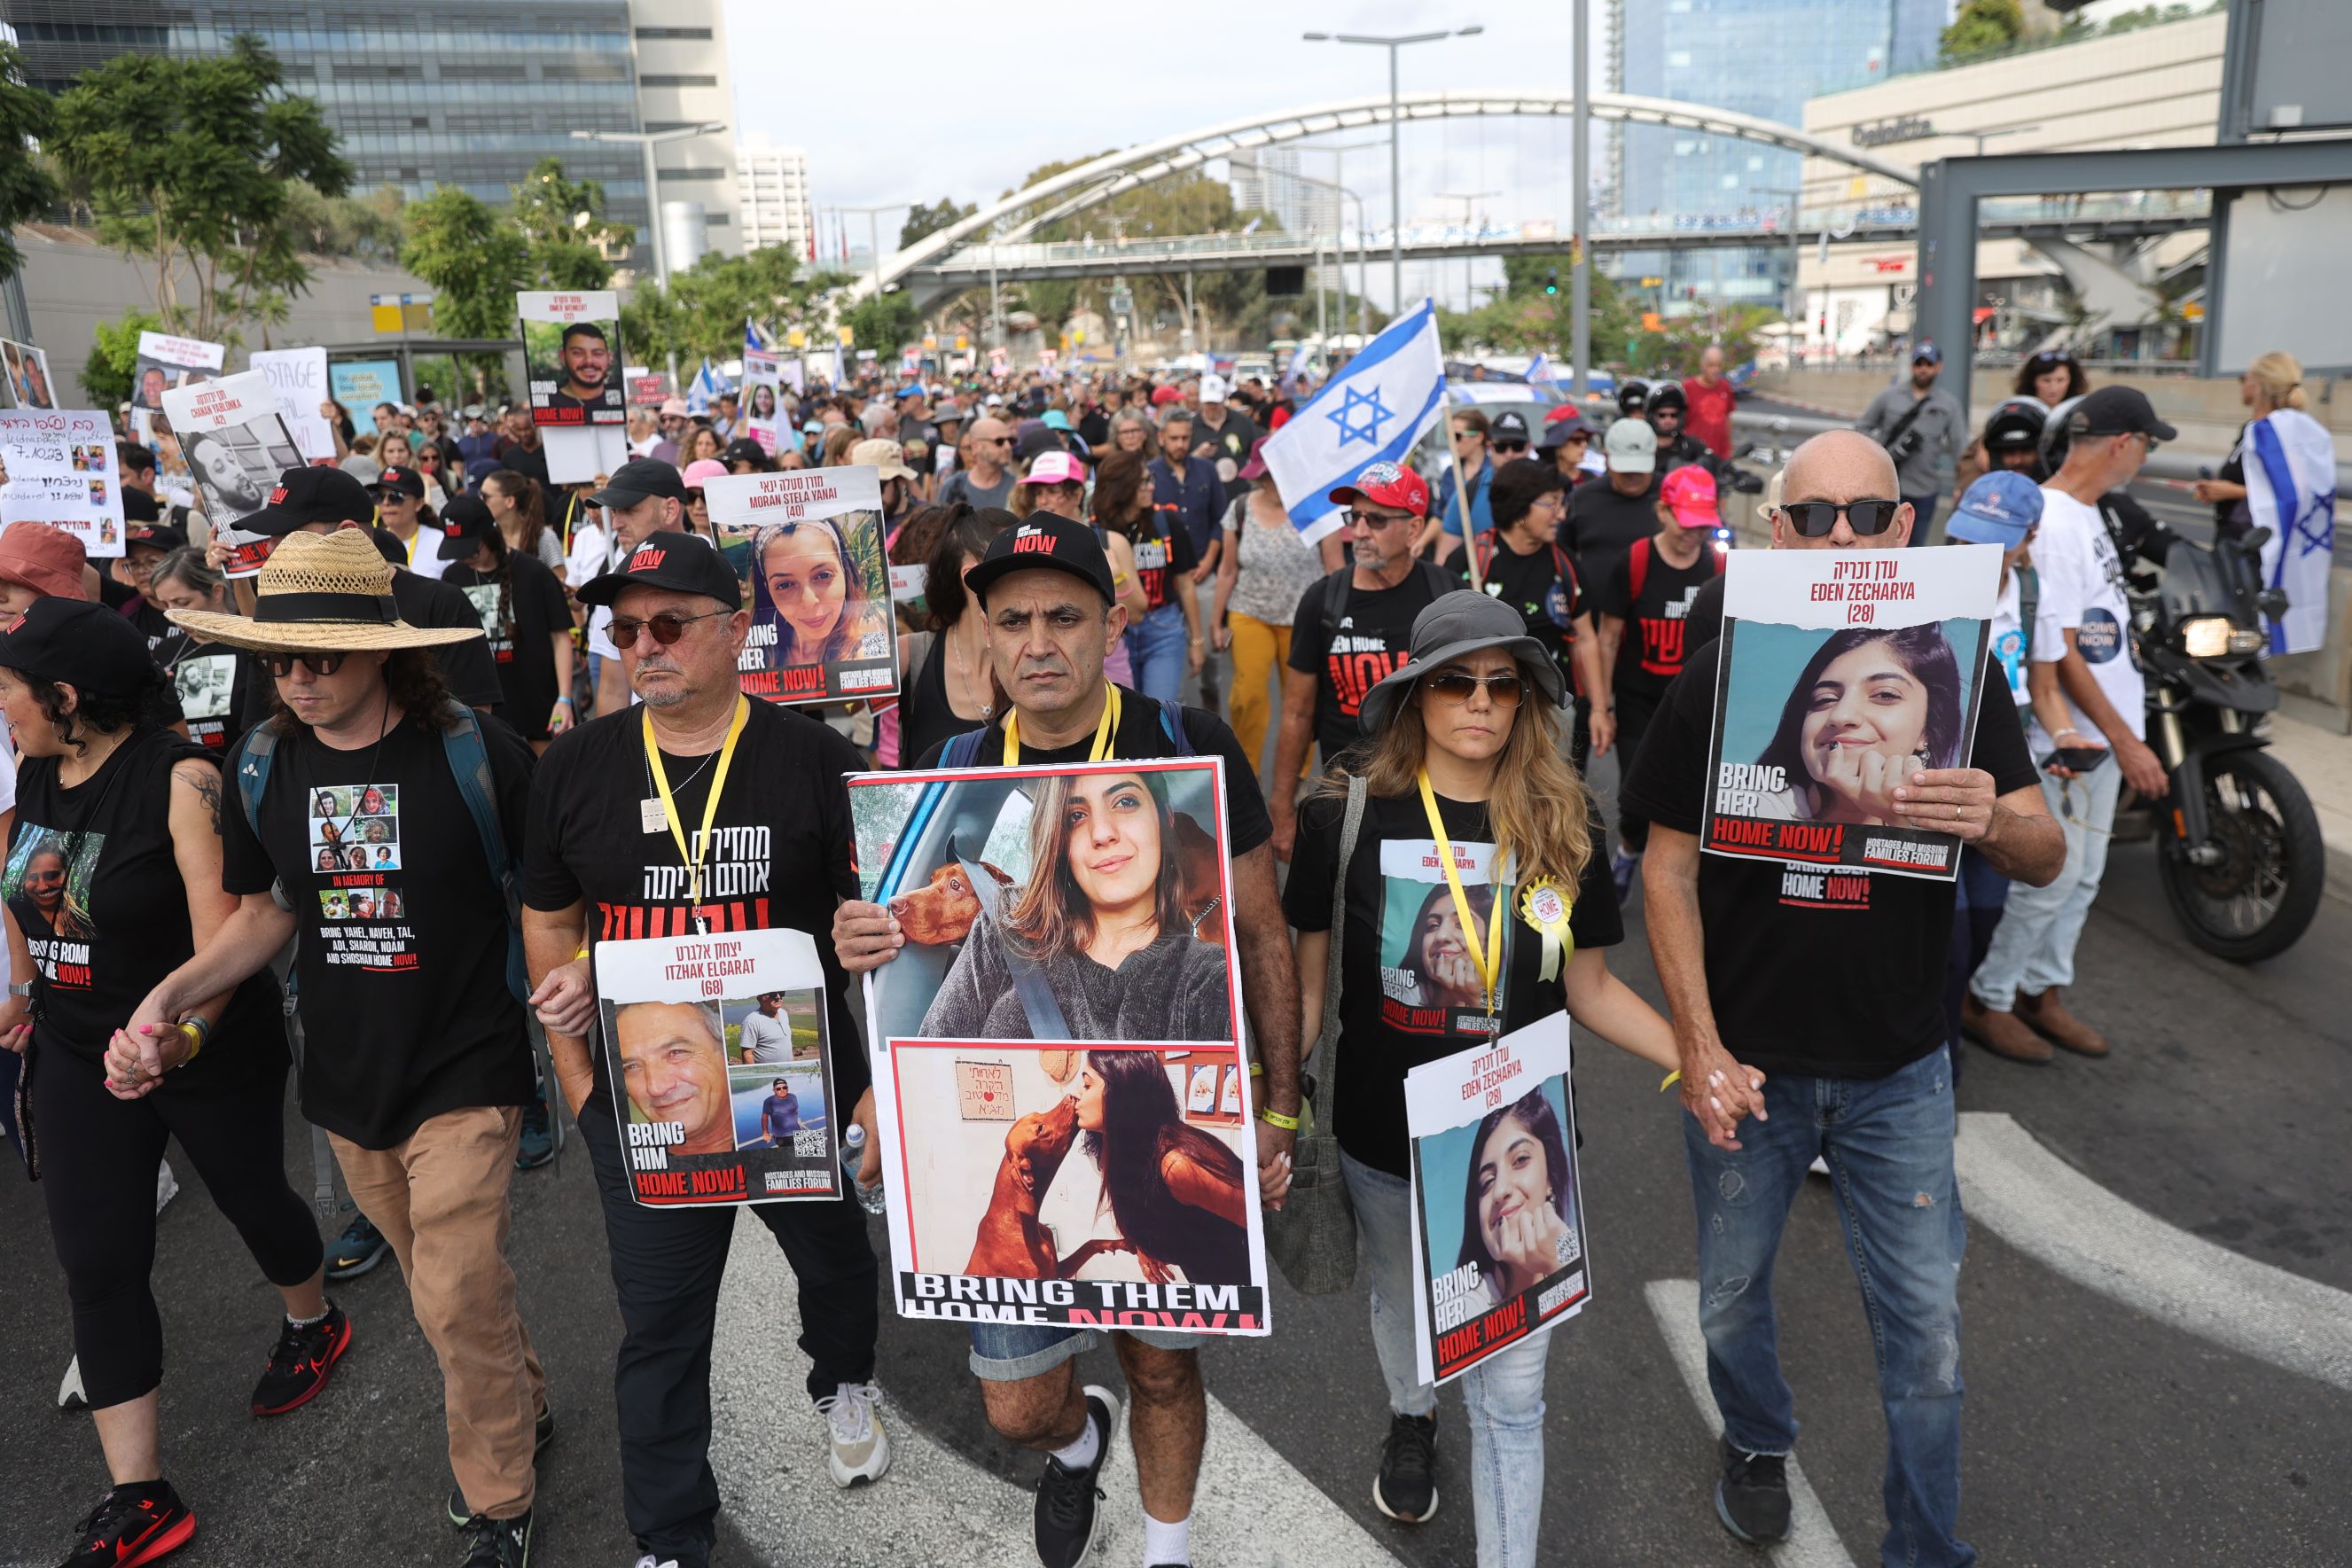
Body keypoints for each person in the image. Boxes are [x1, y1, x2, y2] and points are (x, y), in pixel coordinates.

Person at [1621, 429, 2064, 1565]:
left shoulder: (1968, 670)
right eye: (1813, 517)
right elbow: (1665, 868)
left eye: (1866, 516)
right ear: (1776, 532)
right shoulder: (1722, 671)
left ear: (1901, 528)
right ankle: (1755, 1437)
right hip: (1749, 1068)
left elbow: (2045, 851)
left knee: (1927, 1339)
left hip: (1900, 1075)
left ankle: (1925, 1546)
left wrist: (1990, 818)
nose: (1840, 537)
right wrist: (1698, 1045)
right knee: (1728, 1298)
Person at [833, 514, 1302, 1568]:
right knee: (1018, 1407)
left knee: (1165, 1369)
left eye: (1064, 617)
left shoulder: (1184, 741)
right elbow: (922, 1035)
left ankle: (1166, 1550)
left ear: (1112, 622)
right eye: (1013, 621)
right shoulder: (954, 770)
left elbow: (1265, 930)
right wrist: (864, 950)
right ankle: (1078, 1439)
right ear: (983, 633)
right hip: (1018, 1177)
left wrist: (1278, 1104)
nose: (1038, 642)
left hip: (1153, 1167)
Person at [1285, 589, 1748, 1565]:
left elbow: (1589, 987)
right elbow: (1305, 990)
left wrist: (1700, 1062)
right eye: (1455, 681)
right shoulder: (1343, 812)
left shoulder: (1563, 818)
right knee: (1400, 1301)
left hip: (1519, 1146)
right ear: (1415, 694)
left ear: (1527, 700)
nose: (1480, 702)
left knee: (1512, 1397)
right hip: (1380, 1136)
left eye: (1503, 685)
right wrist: (1265, 1101)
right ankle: (1411, 1414)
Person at [130, 528, 549, 1567]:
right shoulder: (260, 763)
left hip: (469, 1062)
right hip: (348, 1076)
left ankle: (499, 1500)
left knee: (455, 1287)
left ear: (380, 651)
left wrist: (576, 1008)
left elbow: (551, 893)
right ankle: (521, 1398)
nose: (299, 677)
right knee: (447, 1291)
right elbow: (265, 911)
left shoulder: (476, 753)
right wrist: (173, 991)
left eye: (321, 655)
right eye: (281, 658)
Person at [520, 528, 890, 1567]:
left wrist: (870, 1070)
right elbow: (550, 916)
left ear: (735, 629)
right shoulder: (578, 766)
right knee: (661, 1321)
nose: (644, 644)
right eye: (625, 628)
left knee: (832, 1259)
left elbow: (884, 917)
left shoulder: (818, 760)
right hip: (646, 1091)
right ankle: (670, 1534)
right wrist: (580, 1075)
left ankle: (843, 1377)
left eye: (670, 623)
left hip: (794, 1077)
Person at [0, 601, 341, 1568]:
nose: (3, 711)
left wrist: (178, 1036)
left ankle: (312, 1320)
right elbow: (21, 882)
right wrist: (26, 989)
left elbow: (226, 941)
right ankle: (140, 1494)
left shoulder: (183, 778)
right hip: (77, 1050)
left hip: (205, 1042)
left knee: (253, 1199)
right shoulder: (37, 768)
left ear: (65, 696)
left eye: (10, 692)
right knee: (98, 1260)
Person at [1965, 386, 2175, 1064]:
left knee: (2082, 877)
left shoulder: (2086, 512)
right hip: (2066, 737)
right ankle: (1990, 996)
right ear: (2122, 443)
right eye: (2145, 443)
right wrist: (2117, 738)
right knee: (2050, 876)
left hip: (2089, 733)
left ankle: (2039, 988)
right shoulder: (2051, 520)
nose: (2145, 456)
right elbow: (2054, 656)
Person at [918, 768, 1233, 1040]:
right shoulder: (1003, 922)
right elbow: (928, 1070)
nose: (1103, 833)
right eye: (1076, 816)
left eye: (1125, 802)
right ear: (1057, 841)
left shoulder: (1211, 976)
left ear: (1165, 820)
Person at [1934, 472, 2075, 1067]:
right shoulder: (1926, 585)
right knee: (1948, 932)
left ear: (2028, 538)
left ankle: (1959, 1017)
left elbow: (2044, 687)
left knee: (1988, 917)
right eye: (1967, 535)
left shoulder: (2033, 596)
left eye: (1994, 541)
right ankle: (1939, 1057)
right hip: (1941, 773)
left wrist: (2064, 738)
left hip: (2006, 774)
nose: (1976, 552)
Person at [1271, 464, 1456, 854]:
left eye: (1375, 520)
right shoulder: (1323, 601)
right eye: (1354, 517)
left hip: (1433, 796)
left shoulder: (1448, 597)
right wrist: (1282, 805)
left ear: (1414, 529)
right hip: (1348, 797)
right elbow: (1297, 713)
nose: (1358, 531)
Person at [1593, 464, 1725, 892]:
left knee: (1693, 800)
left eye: (1703, 525)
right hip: (1640, 700)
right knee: (1636, 800)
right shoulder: (1634, 562)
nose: (1695, 534)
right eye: (1687, 523)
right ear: (1663, 511)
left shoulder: (1719, 565)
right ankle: (1630, 849)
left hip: (1696, 707)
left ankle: (1685, 877)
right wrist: (1602, 707)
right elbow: (1608, 637)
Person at [1457, 457, 1612, 774]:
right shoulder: (1471, 561)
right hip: (1485, 708)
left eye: (1562, 504)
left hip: (1551, 709)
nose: (1562, 515)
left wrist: (1599, 709)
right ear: (1520, 508)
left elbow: (1585, 638)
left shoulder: (1564, 564)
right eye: (1552, 504)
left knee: (1550, 793)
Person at [1072, 1048, 1251, 1284]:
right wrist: (1145, 1245)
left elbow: (1262, 1225)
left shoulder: (1177, 1164)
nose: (1076, 1095)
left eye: (1087, 1085)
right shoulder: (1121, 1153)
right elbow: (1142, 1205)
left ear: (1122, 1093)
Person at [1212, 437, 1333, 774]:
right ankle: (1244, 773)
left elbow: (1336, 571)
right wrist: (1215, 621)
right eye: (1265, 475)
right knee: (1247, 695)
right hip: (1249, 613)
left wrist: (1338, 623)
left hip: (1304, 620)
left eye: (1277, 474)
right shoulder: (1240, 508)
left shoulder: (1316, 509)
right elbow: (1227, 569)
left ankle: (1298, 777)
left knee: (1302, 703)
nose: (1272, 482)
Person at [437, 495, 575, 751]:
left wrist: (565, 698)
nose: (465, 557)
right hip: (482, 703)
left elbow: (561, 638)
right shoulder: (452, 576)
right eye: (457, 551)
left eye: (471, 549)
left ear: (489, 536)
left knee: (547, 769)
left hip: (538, 698)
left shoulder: (534, 572)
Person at [1014, 449, 1145, 687]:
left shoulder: (1111, 542)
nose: (1043, 501)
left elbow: (1136, 615)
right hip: (1048, 662)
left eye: (1053, 491)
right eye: (1039, 492)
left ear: (1077, 494)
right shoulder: (1025, 546)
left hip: (1109, 662)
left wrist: (1117, 578)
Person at [1095, 446, 1202, 705]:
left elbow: (1186, 585)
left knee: (1159, 710)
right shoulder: (1097, 531)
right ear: (1122, 487)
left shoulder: (1166, 523)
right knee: (1122, 711)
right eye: (1143, 482)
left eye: (1150, 479)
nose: (1151, 486)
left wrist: (1197, 641)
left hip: (1163, 629)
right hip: (1115, 633)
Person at [1146, 410, 1229, 711]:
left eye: (1185, 438)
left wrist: (1209, 560)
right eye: (1174, 438)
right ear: (1161, 438)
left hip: (1202, 572)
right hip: (1165, 580)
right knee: (1170, 649)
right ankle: (1176, 708)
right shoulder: (1149, 475)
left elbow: (1220, 520)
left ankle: (1210, 691)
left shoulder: (1207, 471)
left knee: (1209, 645)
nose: (1180, 444)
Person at [147, 550, 256, 753]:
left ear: (217, 592)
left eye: (182, 603)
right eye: (165, 605)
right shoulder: (165, 651)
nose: (172, 614)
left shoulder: (248, 644)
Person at [1855, 343, 1965, 544]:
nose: (1923, 369)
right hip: (1886, 486)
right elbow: (1862, 427)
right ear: (1911, 366)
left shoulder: (1949, 404)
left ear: (1938, 367)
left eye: (1929, 364)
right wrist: (1880, 451)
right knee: (1880, 543)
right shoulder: (1888, 396)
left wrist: (1963, 485)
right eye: (1918, 364)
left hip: (1925, 490)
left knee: (1915, 547)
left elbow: (1959, 447)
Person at [753, 512, 891, 671]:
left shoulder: (867, 648)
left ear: (844, 570)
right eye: (785, 585)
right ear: (767, 590)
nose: (809, 601)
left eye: (823, 575)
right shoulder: (755, 654)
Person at [612, 999, 734, 1156]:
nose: (656, 1088)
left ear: (725, 1052)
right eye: (632, 1067)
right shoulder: (622, 1158)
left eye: (676, 1053)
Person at [1562, 418, 1663, 597]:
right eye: (1625, 470)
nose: (1632, 476)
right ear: (1606, 457)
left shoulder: (1671, 495)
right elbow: (1562, 553)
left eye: (1640, 469)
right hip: (1593, 611)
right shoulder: (1582, 498)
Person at [1422, 408, 1495, 565]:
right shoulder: (1451, 472)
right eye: (1448, 436)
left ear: (1478, 437)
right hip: (1452, 549)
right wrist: (1420, 544)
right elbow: (1440, 515)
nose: (1451, 442)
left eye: (1457, 436)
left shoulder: (1494, 472)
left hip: (1486, 551)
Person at [481, 468, 567, 579]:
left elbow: (560, 581)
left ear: (509, 501)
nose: (480, 501)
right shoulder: (485, 536)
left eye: (485, 497)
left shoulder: (544, 537)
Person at [373, 466, 449, 580]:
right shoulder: (370, 544)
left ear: (418, 504)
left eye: (395, 497)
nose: (386, 503)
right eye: (380, 496)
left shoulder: (441, 543)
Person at [942, 417, 1017, 511]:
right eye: (999, 441)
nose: (1008, 447)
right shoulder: (952, 487)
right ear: (976, 446)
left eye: (1011, 441)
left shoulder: (1018, 486)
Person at [1683, 344, 1739, 460]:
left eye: (1719, 365)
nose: (1715, 370)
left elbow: (1727, 418)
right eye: (1711, 365)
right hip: (1695, 454)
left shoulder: (1725, 387)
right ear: (1702, 365)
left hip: (1720, 454)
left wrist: (1729, 446)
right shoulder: (1688, 387)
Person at [550, 322, 616, 412]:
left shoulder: (620, 398)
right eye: (578, 353)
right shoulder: (549, 405)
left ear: (609, 357)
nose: (589, 361)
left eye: (598, 353)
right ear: (563, 357)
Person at [737, 992, 793, 1065]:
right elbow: (747, 1054)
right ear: (759, 999)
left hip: (789, 1068)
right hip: (768, 1071)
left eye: (781, 993)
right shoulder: (751, 1021)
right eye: (773, 994)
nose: (778, 997)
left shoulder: (783, 1013)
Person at [759, 1075, 801, 1143]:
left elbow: (796, 1110)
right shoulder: (769, 1101)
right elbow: (764, 1117)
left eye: (784, 1087)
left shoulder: (793, 1097)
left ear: (787, 1088)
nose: (782, 1090)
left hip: (797, 1132)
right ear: (774, 1090)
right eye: (778, 1089)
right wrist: (765, 1132)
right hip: (780, 1136)